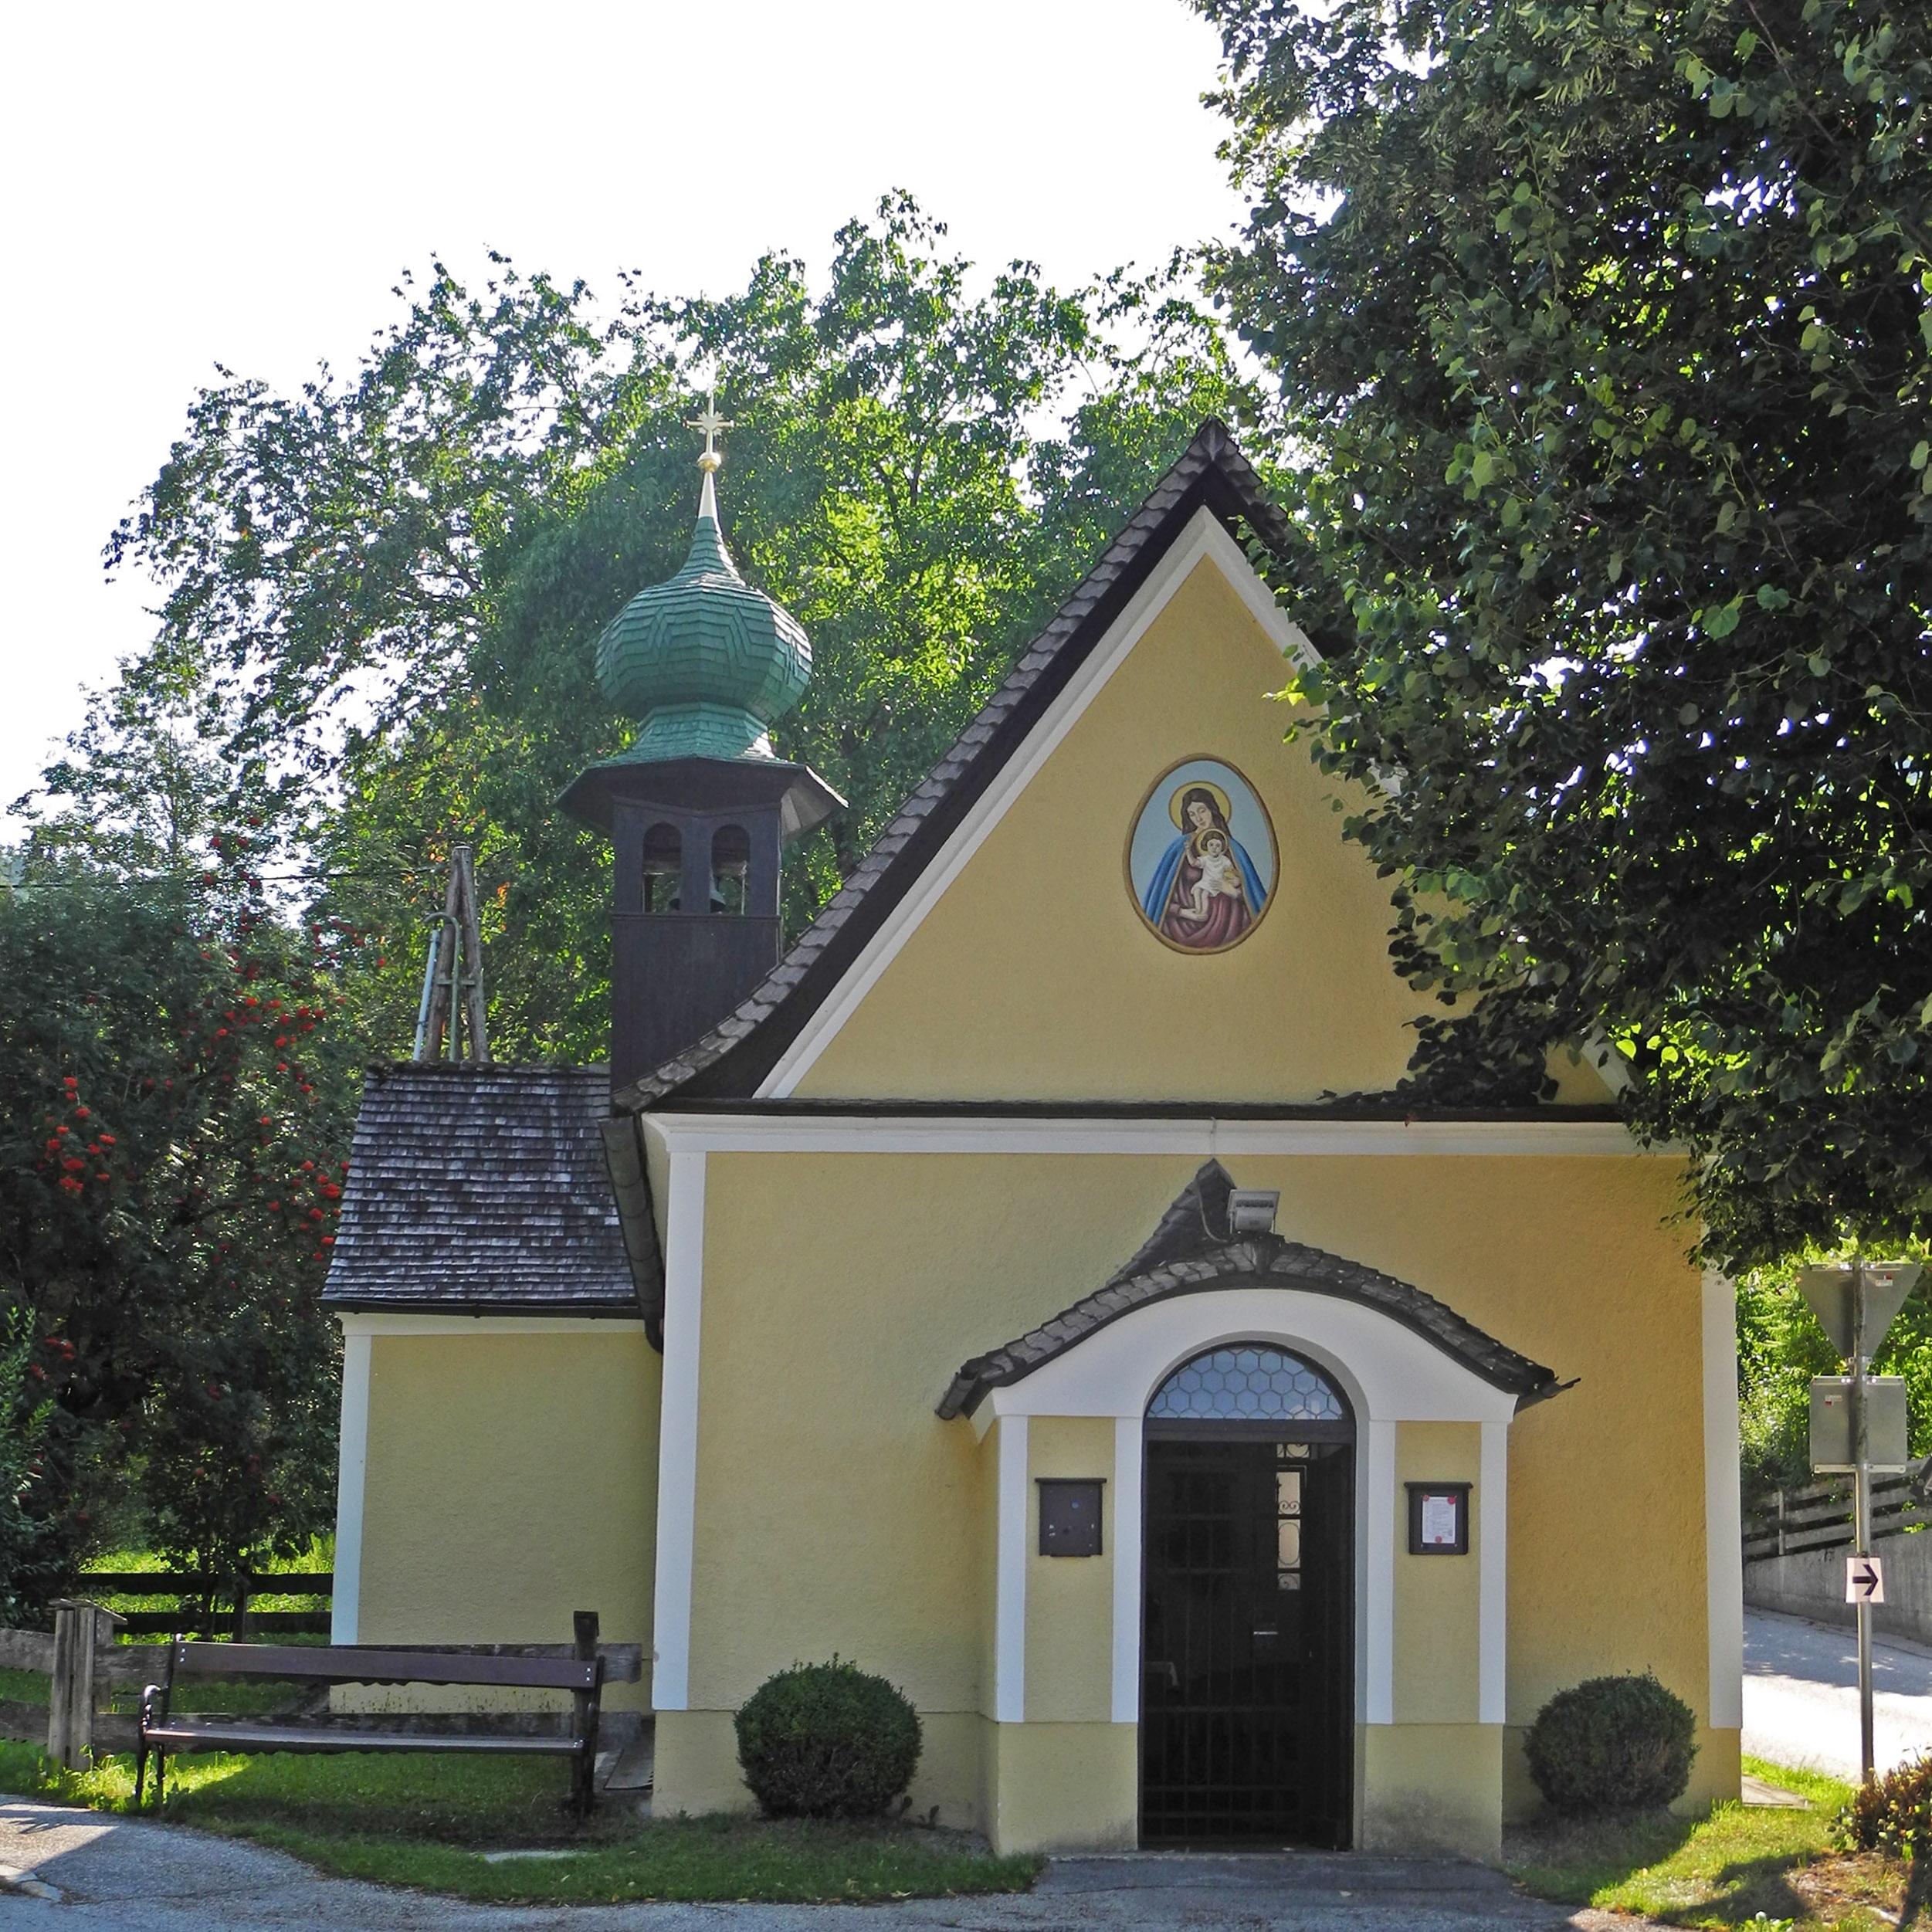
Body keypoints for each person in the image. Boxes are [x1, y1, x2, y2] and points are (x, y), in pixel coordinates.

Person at [1141, 785, 1267, 949]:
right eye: (1192, 814)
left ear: (1212, 810)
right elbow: (1161, 894)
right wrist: (1182, 912)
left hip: (1230, 928)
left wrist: (1234, 893)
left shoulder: (1234, 849)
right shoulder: (1181, 847)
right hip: (1182, 929)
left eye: (1202, 811)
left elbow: (1254, 897)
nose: (1198, 819)